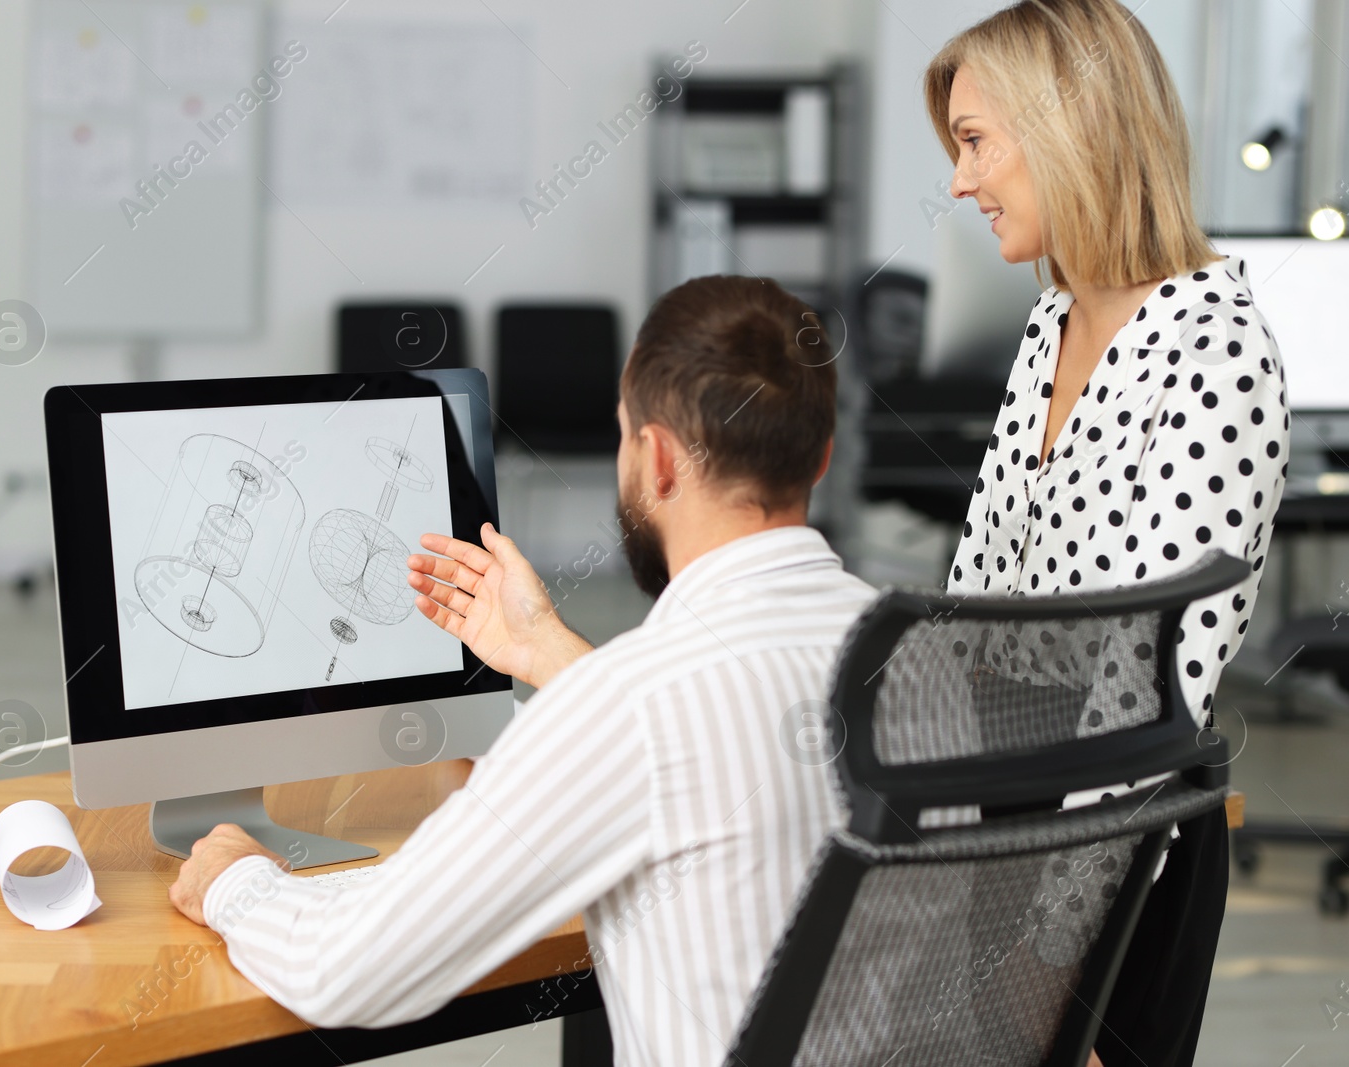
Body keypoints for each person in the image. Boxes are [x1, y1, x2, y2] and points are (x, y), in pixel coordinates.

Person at [167, 275, 879, 1065]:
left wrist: (237, 883)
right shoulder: (920, 656)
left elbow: (346, 970)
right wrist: (543, 647)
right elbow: (712, 734)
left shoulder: (631, 710)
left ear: (661, 459)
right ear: (821, 455)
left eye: (622, 437)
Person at [925, 2, 1290, 1064]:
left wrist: (1048, 961)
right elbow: (976, 608)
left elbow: (1144, 697)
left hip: (1113, 858)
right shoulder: (1052, 321)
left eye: (974, 141)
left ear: (1069, 127)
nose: (959, 181)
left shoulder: (1216, 353)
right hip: (1002, 816)